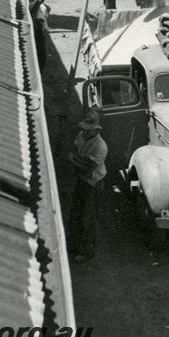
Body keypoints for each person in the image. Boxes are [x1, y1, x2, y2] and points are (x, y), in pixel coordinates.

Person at [67, 108, 108, 262]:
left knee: (88, 219)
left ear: (96, 129)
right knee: (75, 214)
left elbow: (87, 168)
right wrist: (78, 161)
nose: (85, 132)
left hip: (93, 184)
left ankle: (87, 252)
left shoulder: (100, 146)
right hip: (82, 180)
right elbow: (76, 153)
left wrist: (74, 160)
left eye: (88, 130)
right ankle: (73, 246)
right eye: (84, 129)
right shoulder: (82, 136)